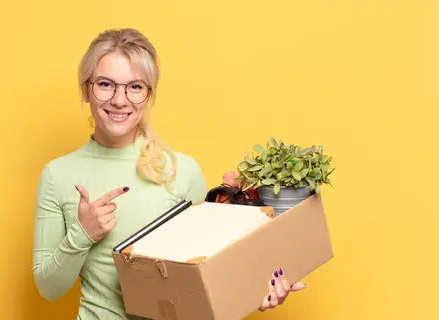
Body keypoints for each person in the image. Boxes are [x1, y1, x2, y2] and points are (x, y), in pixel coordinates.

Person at [32, 28, 306, 320]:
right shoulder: (57, 175)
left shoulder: (182, 171)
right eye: (105, 84)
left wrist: (255, 290)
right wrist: (82, 234)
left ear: (149, 95)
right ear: (86, 90)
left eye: (135, 87)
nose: (120, 100)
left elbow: (209, 279)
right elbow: (49, 288)